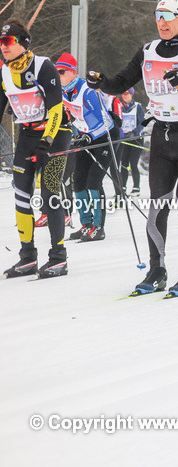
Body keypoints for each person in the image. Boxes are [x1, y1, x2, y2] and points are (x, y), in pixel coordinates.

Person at [86, 0, 178, 296]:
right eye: (158, 15)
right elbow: (122, 82)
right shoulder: (147, 50)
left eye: (168, 16)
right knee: (156, 207)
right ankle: (157, 270)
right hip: (162, 135)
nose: (161, 22)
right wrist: (102, 82)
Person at [1, 21, 73, 278]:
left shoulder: (43, 66)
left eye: (8, 41)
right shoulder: (4, 72)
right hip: (28, 134)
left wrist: (47, 141)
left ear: (23, 43)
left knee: (50, 192)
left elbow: (56, 108)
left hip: (56, 133)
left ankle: (58, 257)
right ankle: (28, 257)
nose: (3, 46)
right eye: (0, 42)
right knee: (21, 193)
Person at [59, 53, 117, 242]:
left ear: (73, 73)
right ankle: (86, 224)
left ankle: (98, 227)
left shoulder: (87, 90)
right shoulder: (62, 91)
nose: (58, 75)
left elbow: (102, 122)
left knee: (93, 181)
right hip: (86, 137)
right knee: (78, 182)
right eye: (56, 71)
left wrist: (89, 136)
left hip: (104, 135)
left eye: (62, 71)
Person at [118, 88, 146, 195]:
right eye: (122, 93)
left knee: (133, 163)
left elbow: (143, 122)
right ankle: (123, 187)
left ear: (131, 94)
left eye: (126, 93)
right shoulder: (119, 106)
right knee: (124, 164)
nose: (124, 95)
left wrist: (134, 132)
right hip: (124, 140)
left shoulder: (137, 106)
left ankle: (136, 187)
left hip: (136, 139)